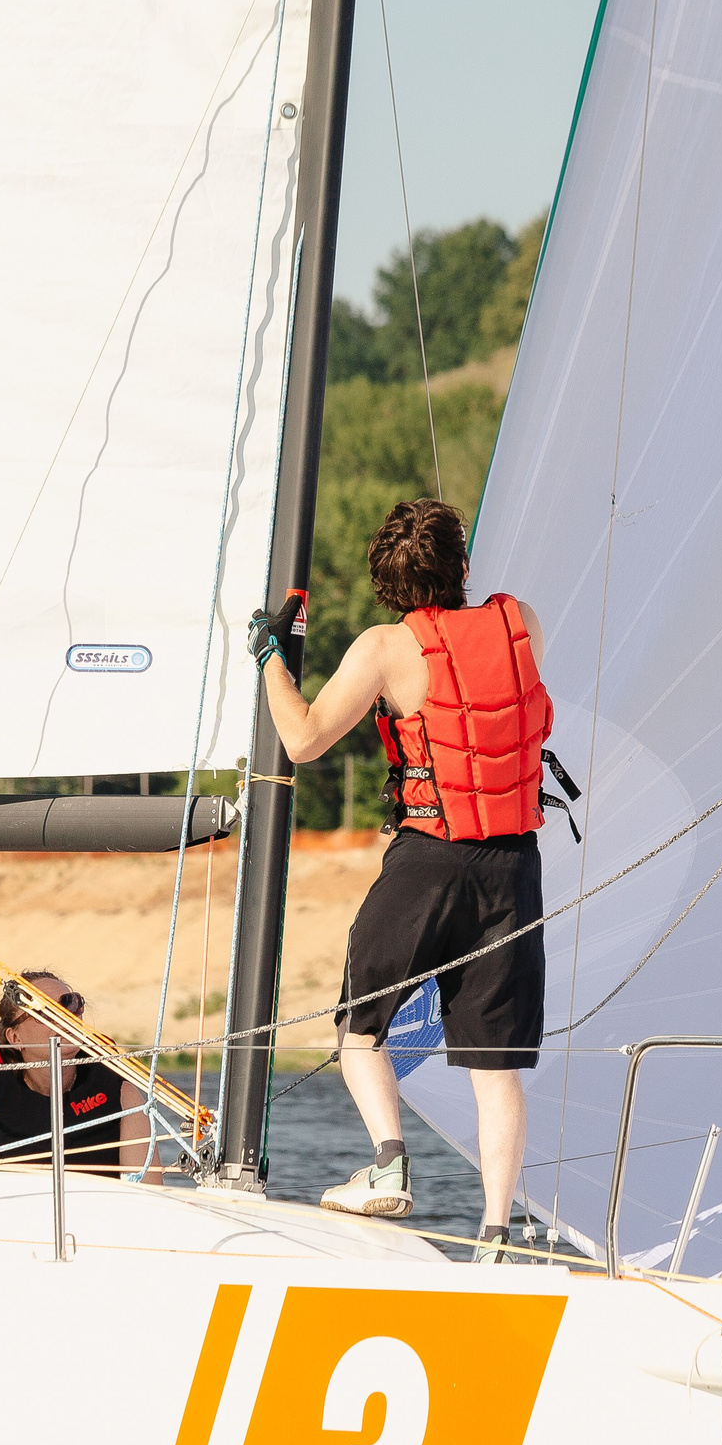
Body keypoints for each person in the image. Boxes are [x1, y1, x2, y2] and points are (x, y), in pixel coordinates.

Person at [249, 497, 557, 1260]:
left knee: (361, 1026)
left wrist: (271, 660)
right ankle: (494, 1235)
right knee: (495, 1072)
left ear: (387, 581)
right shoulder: (524, 624)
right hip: (513, 867)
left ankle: (388, 1162)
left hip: (428, 860)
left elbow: (305, 737)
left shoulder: (386, 647)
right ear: (459, 566)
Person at [0, 971, 163, 1181]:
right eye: (45, 1011)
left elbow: (147, 1189)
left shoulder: (121, 1094)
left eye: (71, 1003)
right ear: (15, 1038)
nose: (65, 1017)